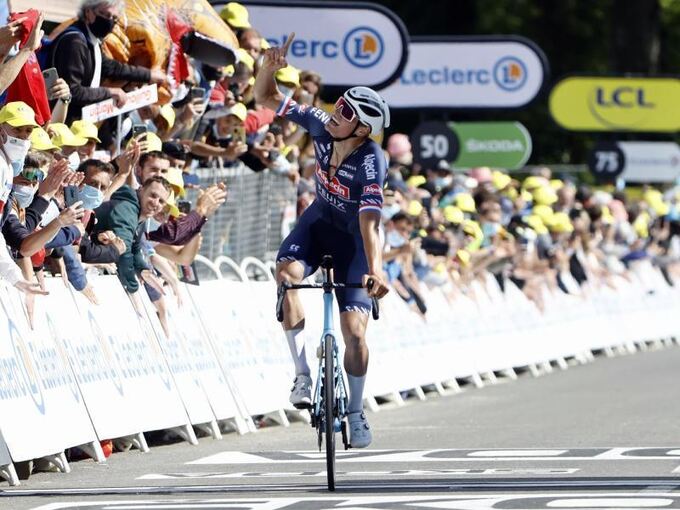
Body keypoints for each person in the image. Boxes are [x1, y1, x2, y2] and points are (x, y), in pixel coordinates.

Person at [254, 33, 390, 448]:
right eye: (339, 103)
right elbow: (264, 96)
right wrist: (268, 66)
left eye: (345, 111)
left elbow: (369, 225)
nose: (335, 112)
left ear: (363, 128)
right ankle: (301, 374)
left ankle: (355, 410)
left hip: (354, 242)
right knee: (286, 275)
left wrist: (377, 271)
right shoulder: (319, 123)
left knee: (355, 334)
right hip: (316, 224)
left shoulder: (372, 162)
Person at [48, 0, 168, 122]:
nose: (109, 21)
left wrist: (148, 75)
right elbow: (72, 91)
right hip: (59, 123)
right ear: (89, 12)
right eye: (105, 14)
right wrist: (109, 92)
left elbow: (109, 67)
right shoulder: (75, 42)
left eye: (114, 18)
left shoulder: (92, 39)